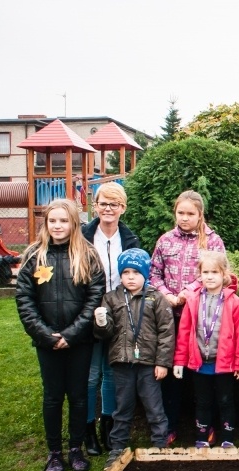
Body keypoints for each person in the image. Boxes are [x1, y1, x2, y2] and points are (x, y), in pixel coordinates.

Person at [15, 199, 105, 471]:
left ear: (73, 223)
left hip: (79, 340)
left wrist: (71, 334)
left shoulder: (87, 255)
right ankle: (54, 453)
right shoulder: (33, 255)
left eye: (63, 221)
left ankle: (75, 448)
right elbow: (25, 300)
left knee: (78, 396)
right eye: (52, 221)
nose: (57, 226)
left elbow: (94, 297)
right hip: (47, 340)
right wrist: (46, 335)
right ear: (46, 223)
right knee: (53, 396)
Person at [150, 190, 226, 445]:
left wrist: (186, 293)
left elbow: (218, 273)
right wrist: (167, 295)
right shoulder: (165, 241)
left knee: (204, 375)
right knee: (172, 373)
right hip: (169, 315)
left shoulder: (212, 241)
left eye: (190, 214)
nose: (184, 218)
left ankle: (208, 425)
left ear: (200, 214)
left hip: (202, 316)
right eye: (180, 213)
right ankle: (170, 425)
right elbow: (154, 274)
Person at [94, 249, 175, 468]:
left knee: (154, 407)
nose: (131, 277)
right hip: (122, 363)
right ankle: (118, 446)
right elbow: (106, 333)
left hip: (149, 365)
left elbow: (167, 332)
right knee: (122, 407)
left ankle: (160, 444)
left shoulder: (156, 298)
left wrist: (162, 362)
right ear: (120, 274)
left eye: (136, 272)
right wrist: (101, 322)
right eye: (126, 272)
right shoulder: (111, 299)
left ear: (145, 274)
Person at [81, 182, 140, 456]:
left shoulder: (129, 239)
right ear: (96, 206)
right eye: (103, 203)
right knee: (91, 373)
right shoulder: (82, 236)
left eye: (114, 204)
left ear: (122, 209)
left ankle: (108, 423)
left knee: (110, 371)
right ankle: (88, 428)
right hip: (88, 309)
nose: (108, 208)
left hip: (117, 311)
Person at [173, 251, 239, 448]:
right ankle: (201, 437)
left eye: (215, 271)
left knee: (225, 401)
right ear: (200, 274)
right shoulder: (193, 300)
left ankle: (228, 439)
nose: (210, 276)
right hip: (199, 363)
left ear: (224, 274)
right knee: (203, 402)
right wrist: (179, 361)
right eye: (205, 272)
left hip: (225, 364)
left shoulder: (235, 302)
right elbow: (184, 332)